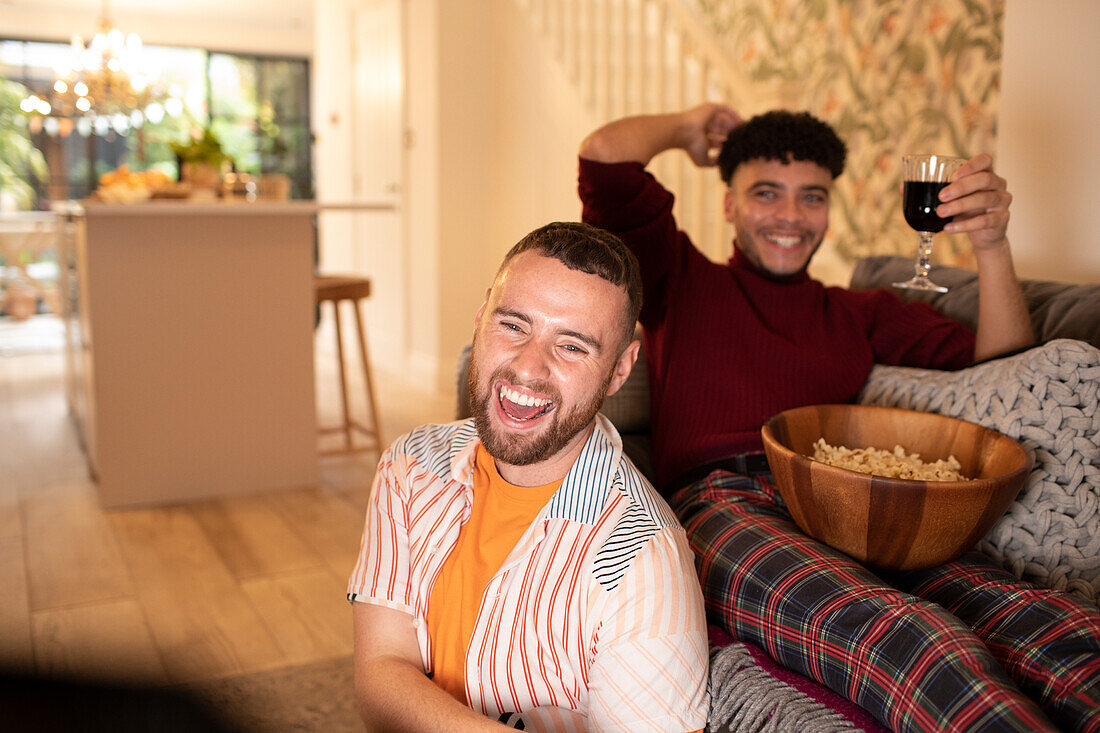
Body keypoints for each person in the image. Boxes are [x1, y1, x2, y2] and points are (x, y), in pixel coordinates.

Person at [578, 105, 1100, 732]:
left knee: (1045, 624)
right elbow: (605, 157)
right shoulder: (682, 280)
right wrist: (690, 130)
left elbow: (1006, 366)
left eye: (812, 197)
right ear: (728, 206)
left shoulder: (856, 313)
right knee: (908, 639)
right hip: (721, 501)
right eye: (766, 193)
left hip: (855, 498)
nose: (791, 217)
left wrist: (991, 243)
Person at [346, 221, 710, 732]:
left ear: (621, 369)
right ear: (480, 319)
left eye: (572, 347)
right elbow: (381, 672)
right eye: (513, 326)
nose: (528, 367)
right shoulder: (411, 464)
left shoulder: (642, 560)